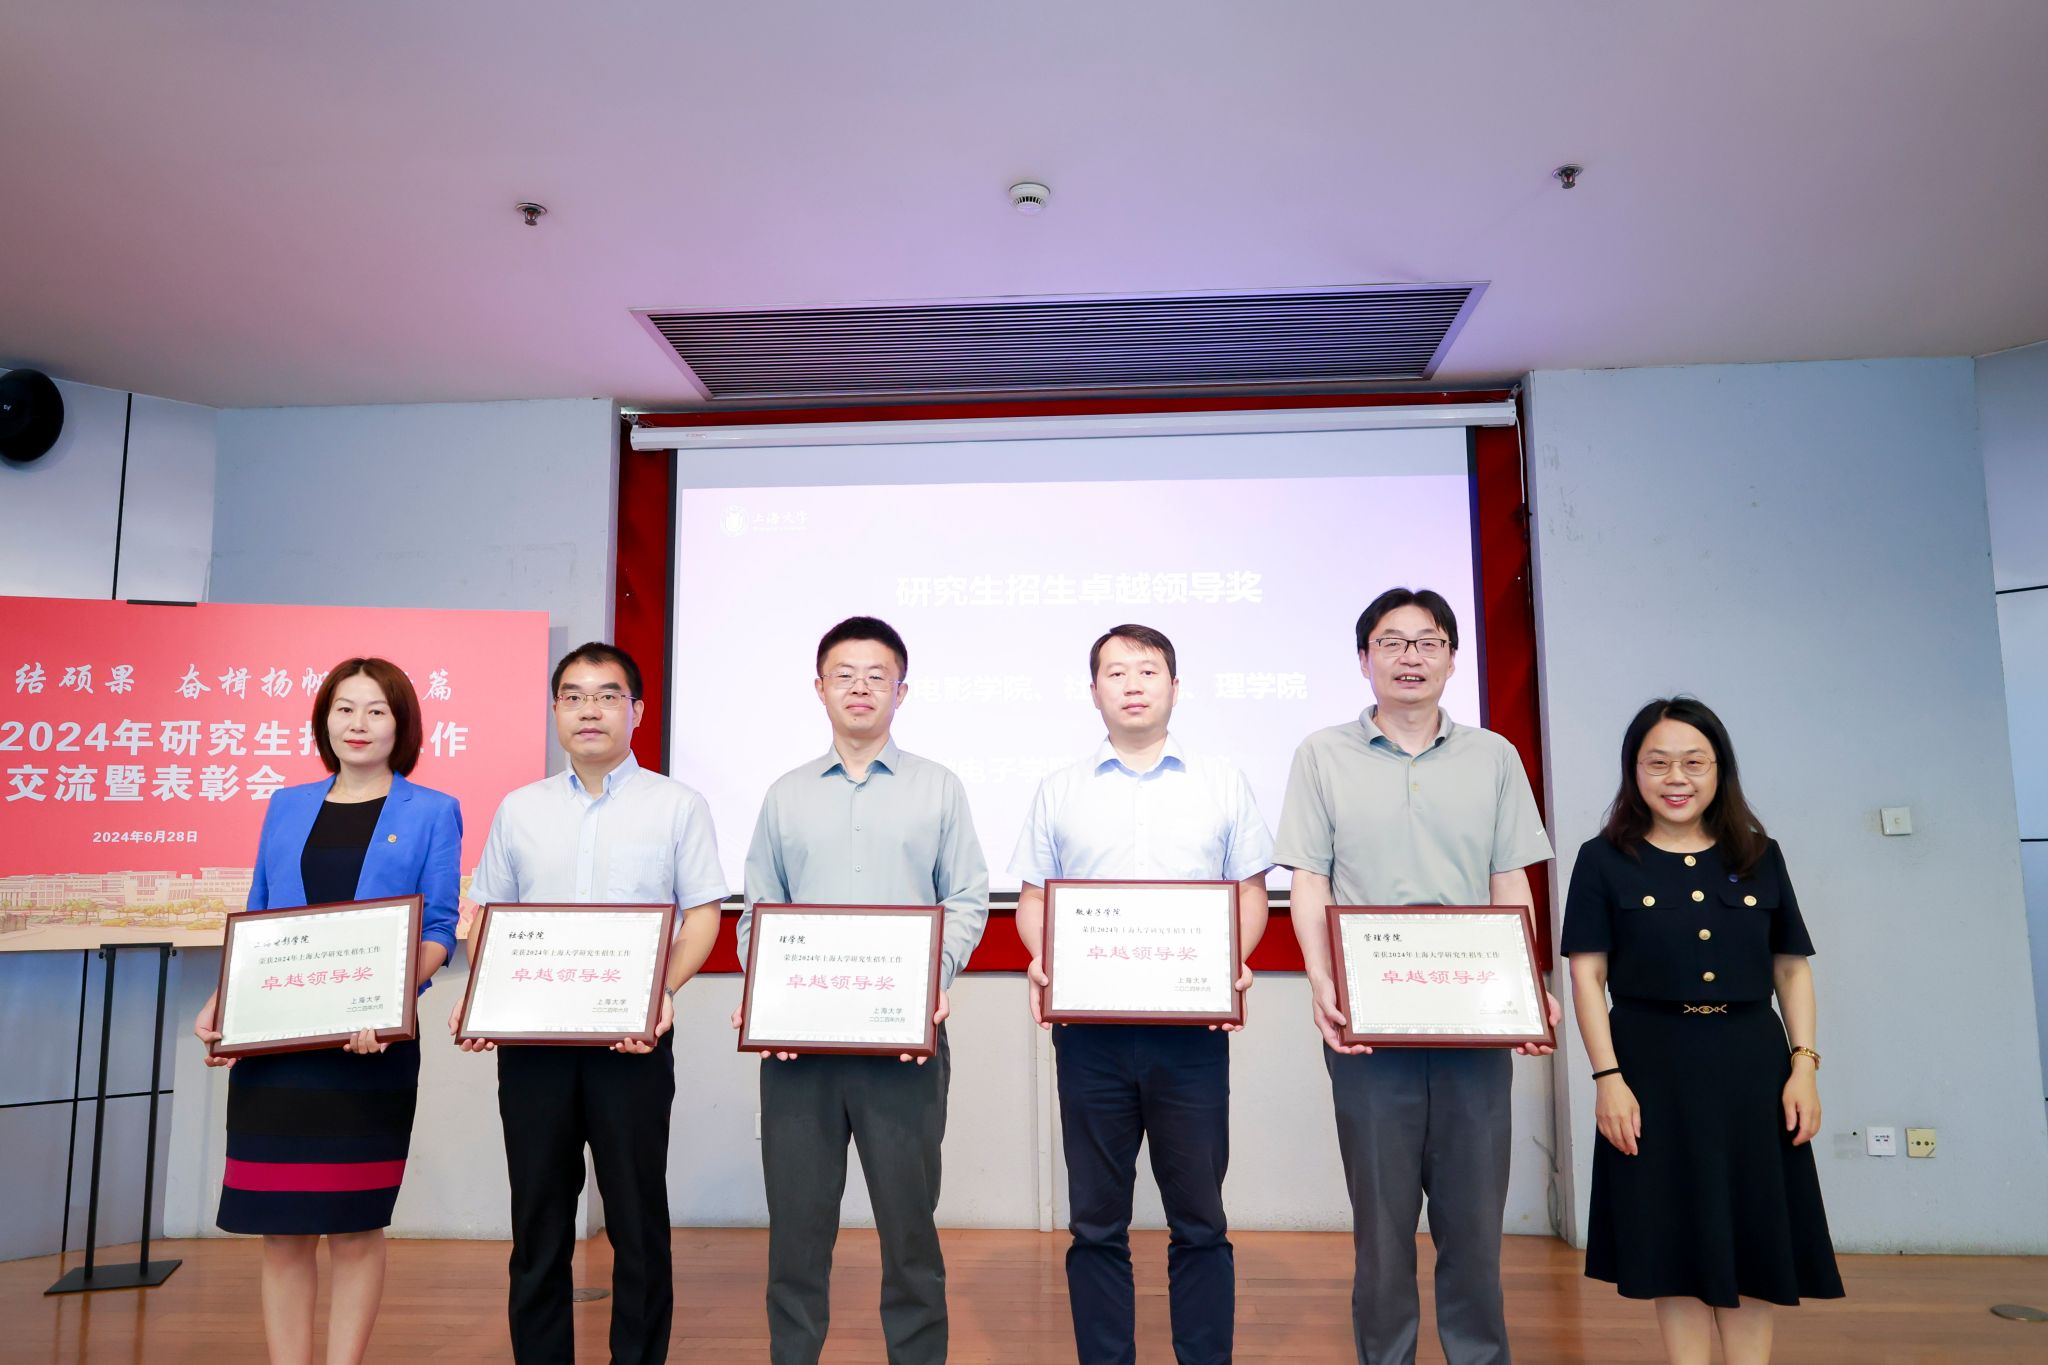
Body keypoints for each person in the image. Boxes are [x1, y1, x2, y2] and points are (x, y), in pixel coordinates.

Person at [1273, 587, 1560, 1365]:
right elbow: (1309, 880)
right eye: (1392, 642)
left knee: (1475, 1224)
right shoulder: (1321, 755)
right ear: (1364, 658)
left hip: (1475, 1022)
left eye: (1428, 641)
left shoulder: (1494, 756)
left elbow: (1509, 880)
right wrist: (1321, 981)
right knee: (1381, 1227)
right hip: (1370, 1025)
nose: (1410, 657)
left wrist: (1525, 986)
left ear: (1452, 659)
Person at [451, 642, 728, 1365]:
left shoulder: (677, 805)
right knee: (538, 1219)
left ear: (637, 710)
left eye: (607, 695)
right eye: (573, 696)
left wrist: (662, 993)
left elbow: (703, 915)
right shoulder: (520, 809)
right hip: (534, 1046)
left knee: (637, 1219)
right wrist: (487, 999)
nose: (589, 710)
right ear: (555, 711)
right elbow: (486, 917)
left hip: (631, 1041)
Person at [1012, 624, 1273, 1365]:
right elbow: (1035, 899)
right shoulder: (1059, 788)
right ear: (1093, 690)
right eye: (1116, 671)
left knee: (1200, 1219)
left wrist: (1228, 964)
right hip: (1091, 1037)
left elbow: (1249, 893)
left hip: (1191, 1035)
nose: (1133, 683)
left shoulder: (1222, 781)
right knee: (1095, 1222)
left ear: (1175, 688)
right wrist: (1045, 961)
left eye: (1149, 670)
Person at [733, 615, 989, 1365]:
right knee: (796, 1233)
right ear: (819, 688)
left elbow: (967, 898)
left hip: (902, 1045)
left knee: (910, 1233)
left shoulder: (939, 788)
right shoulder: (785, 795)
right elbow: (757, 909)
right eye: (843, 675)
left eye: (878, 676)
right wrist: (767, 994)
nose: (860, 688)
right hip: (799, 1050)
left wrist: (935, 977)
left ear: (901, 691)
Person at [193, 657, 462, 1365]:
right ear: (324, 720)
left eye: (377, 710)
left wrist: (393, 1001)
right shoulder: (286, 806)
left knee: (355, 1225)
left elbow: (439, 928)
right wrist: (225, 1000)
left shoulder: (432, 810)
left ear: (401, 725)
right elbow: (259, 916)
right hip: (278, 1050)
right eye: (345, 708)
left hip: (370, 1049)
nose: (359, 723)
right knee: (281, 1230)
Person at [1560, 698, 1842, 1365]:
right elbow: (1586, 975)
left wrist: (1803, 1065)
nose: (1676, 778)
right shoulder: (1603, 859)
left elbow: (1790, 968)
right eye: (1657, 763)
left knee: (1754, 1235)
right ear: (1634, 771)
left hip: (1753, 1066)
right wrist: (1608, 1079)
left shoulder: (1760, 855)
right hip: (1652, 1069)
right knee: (1674, 1241)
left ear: (1720, 770)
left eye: (1694, 762)